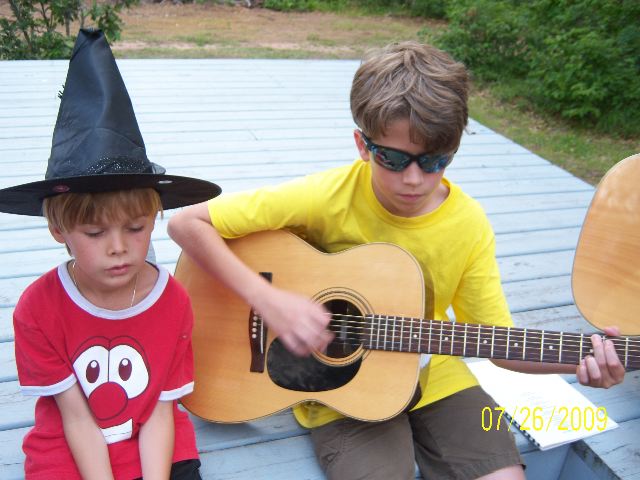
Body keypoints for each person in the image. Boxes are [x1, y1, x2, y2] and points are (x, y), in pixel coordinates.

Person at [167, 41, 625, 480]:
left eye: (434, 161)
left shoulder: (468, 225)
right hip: (339, 394)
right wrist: (268, 301)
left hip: (439, 377)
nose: (413, 179)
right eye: (392, 158)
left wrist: (584, 360)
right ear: (362, 144)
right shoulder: (327, 195)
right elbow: (188, 223)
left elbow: (499, 344)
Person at [0, 29, 221, 479]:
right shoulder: (38, 309)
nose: (118, 246)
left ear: (153, 219)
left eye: (136, 228)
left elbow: (160, 411)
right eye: (95, 231)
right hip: (72, 443)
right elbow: (76, 418)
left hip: (155, 437)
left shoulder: (173, 301)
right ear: (58, 229)